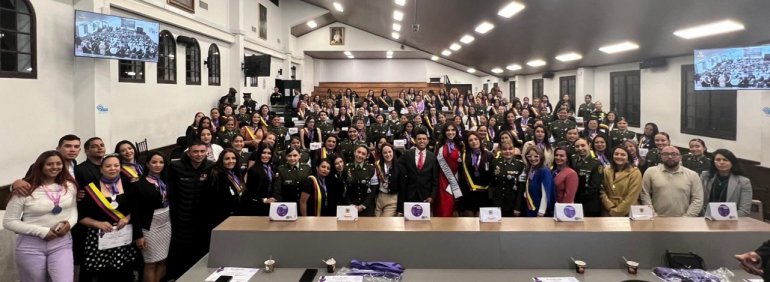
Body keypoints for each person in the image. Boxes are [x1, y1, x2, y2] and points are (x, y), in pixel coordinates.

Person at [4, 150, 78, 282]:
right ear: (40, 166)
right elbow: (9, 221)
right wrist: (42, 232)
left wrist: (69, 224)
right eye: (49, 164)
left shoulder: (70, 186)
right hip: (31, 246)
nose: (55, 167)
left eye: (58, 163)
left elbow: (73, 210)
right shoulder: (24, 190)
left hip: (61, 243)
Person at [78, 154, 138, 281]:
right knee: (104, 275)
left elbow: (137, 208)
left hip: (124, 236)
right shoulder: (90, 188)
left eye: (116, 165)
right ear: (101, 169)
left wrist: (127, 218)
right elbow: (81, 216)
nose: (113, 168)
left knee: (126, 272)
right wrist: (96, 223)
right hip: (100, 238)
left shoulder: (129, 184)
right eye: (108, 166)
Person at [166, 141, 214, 280]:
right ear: (188, 152)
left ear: (206, 152)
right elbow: (171, 192)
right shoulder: (175, 166)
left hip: (203, 219)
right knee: (181, 252)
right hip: (182, 218)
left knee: (201, 251)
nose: (199, 154)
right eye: (195, 151)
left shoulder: (211, 166)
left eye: (202, 151)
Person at [126, 152, 171, 282]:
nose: (158, 165)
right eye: (154, 162)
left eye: (161, 162)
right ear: (147, 164)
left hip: (166, 224)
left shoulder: (166, 181)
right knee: (151, 262)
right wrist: (139, 235)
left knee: (162, 260)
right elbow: (135, 212)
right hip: (150, 226)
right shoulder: (139, 184)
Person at [640, 146, 704, 217]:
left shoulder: (692, 175)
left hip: (683, 221)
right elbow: (645, 194)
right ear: (661, 156)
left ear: (680, 157)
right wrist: (652, 214)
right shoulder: (651, 171)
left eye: (674, 154)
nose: (670, 157)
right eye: (665, 154)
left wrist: (687, 218)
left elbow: (698, 199)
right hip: (656, 218)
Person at [700, 149, 753, 217]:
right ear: (713, 162)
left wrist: (723, 219)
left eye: (725, 160)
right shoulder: (705, 176)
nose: (721, 162)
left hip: (730, 221)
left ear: (732, 162)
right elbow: (699, 200)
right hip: (705, 218)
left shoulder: (744, 182)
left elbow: (744, 210)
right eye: (718, 160)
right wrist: (705, 216)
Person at [397, 130, 438, 215]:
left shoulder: (432, 157)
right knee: (409, 224)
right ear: (415, 140)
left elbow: (435, 179)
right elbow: (397, 164)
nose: (422, 141)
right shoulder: (407, 154)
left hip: (425, 196)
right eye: (419, 139)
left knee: (425, 225)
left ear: (427, 141)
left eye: (424, 139)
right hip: (409, 194)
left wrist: (432, 196)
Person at [204, 149, 244, 235]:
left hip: (235, 216)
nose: (231, 161)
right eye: (227, 159)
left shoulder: (235, 172)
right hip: (222, 219)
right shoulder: (217, 174)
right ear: (221, 160)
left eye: (233, 158)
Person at [458, 132, 493, 217]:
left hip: (483, 194)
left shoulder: (488, 155)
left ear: (479, 140)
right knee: (468, 223)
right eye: (470, 140)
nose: (474, 142)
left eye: (475, 139)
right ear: (467, 143)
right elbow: (460, 174)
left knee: (480, 222)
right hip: (468, 193)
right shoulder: (464, 155)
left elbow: (492, 174)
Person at [599, 146, 642, 217]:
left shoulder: (635, 173)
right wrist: (610, 206)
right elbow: (601, 190)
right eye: (616, 154)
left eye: (623, 155)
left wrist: (617, 211)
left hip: (627, 212)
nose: (619, 156)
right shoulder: (606, 170)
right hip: (608, 210)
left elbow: (632, 196)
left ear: (628, 158)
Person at [433, 124, 463, 217]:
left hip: (456, 179)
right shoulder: (440, 145)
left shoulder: (460, 145)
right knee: (442, 207)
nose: (450, 132)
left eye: (453, 130)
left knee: (452, 207)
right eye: (448, 130)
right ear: (444, 132)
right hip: (442, 180)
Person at [490, 142, 526, 217]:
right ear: (501, 151)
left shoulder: (520, 165)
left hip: (512, 203)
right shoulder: (495, 163)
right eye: (504, 149)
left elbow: (521, 189)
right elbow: (491, 183)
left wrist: (517, 207)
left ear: (514, 150)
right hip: (497, 202)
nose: (507, 151)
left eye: (510, 149)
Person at [571, 138, 603, 216]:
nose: (580, 148)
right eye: (577, 146)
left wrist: (578, 199)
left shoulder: (596, 164)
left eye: (583, 145)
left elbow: (594, 187)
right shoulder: (573, 160)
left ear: (589, 146)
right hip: (574, 202)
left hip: (590, 205)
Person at [344, 145, 377, 216]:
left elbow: (373, 189)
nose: (360, 155)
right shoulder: (346, 168)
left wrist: (364, 205)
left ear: (367, 156)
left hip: (367, 207)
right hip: (350, 206)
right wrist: (350, 204)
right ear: (354, 152)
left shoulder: (371, 169)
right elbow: (344, 188)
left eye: (363, 154)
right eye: (358, 152)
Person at [522, 146, 554, 217]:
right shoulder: (530, 169)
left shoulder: (544, 171)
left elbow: (545, 194)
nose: (533, 159)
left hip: (539, 210)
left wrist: (541, 211)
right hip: (530, 208)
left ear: (541, 156)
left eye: (536, 156)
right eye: (529, 156)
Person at [374, 144, 401, 217]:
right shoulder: (377, 165)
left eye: (390, 152)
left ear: (393, 152)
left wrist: (400, 209)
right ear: (382, 154)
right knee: (376, 222)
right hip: (379, 197)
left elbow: (402, 187)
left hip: (392, 199)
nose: (388, 154)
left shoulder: (399, 166)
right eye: (385, 153)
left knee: (384, 223)